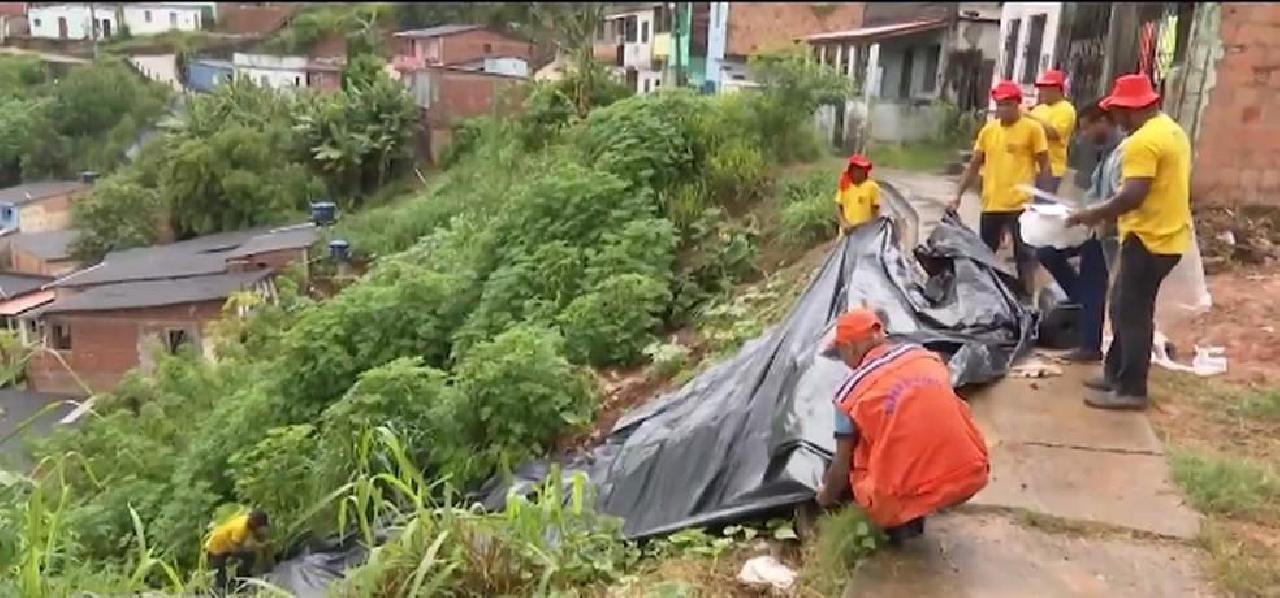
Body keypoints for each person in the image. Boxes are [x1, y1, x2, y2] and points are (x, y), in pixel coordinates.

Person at [1065, 74, 1192, 411]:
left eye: (1118, 111)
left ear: (1131, 109)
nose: (1116, 118)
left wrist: (1091, 214)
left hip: (1149, 239)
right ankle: (1115, 375)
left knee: (1132, 315)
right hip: (1167, 236)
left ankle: (1132, 389)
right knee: (1123, 308)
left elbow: (1132, 195)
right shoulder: (1171, 130)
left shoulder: (1142, 142)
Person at [816, 309, 989, 542]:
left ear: (850, 348)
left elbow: (841, 465)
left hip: (901, 500)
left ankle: (904, 522)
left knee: (860, 456)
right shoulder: (924, 356)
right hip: (970, 473)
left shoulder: (849, 394)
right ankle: (939, 489)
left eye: (841, 352)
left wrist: (825, 497)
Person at [1034, 101, 1125, 362]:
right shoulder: (1102, 153)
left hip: (1108, 229)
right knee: (1047, 252)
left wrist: (1090, 215)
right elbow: (1092, 190)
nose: (1084, 135)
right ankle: (1081, 306)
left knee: (1094, 283)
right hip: (1092, 225)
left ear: (1104, 122)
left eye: (1087, 129)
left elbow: (1122, 197)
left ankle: (1090, 345)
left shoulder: (1122, 153)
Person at [952, 80, 1053, 296]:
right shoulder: (989, 131)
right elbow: (974, 165)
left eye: (1006, 104)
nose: (1001, 109)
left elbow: (1045, 164)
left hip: (1021, 205)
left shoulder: (1032, 129)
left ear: (1018, 104)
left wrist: (1043, 199)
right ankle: (987, 296)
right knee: (985, 253)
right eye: (999, 104)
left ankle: (1026, 298)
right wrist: (958, 195)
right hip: (992, 203)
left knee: (1024, 255)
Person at [1024, 69, 1077, 192]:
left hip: (1052, 169)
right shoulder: (1039, 109)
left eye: (1045, 88)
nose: (1042, 92)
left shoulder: (1066, 109)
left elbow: (1054, 133)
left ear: (1057, 90)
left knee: (1043, 206)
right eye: (1041, 88)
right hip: (1031, 167)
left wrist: (1029, 117)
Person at [206, 509, 271, 593]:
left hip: (228, 544)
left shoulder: (248, 522)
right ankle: (223, 591)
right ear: (255, 523)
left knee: (250, 556)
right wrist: (257, 546)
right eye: (260, 526)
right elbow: (235, 549)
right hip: (216, 549)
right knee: (221, 577)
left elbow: (249, 539)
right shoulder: (240, 529)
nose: (260, 528)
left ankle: (241, 579)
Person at [834, 153, 880, 234]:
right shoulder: (845, 185)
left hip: (865, 233)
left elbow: (876, 212)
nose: (860, 172)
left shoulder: (872, 186)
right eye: (857, 168)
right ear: (851, 170)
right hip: (846, 232)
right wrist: (844, 224)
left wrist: (867, 227)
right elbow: (838, 208)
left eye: (862, 169)